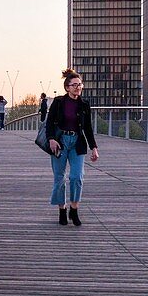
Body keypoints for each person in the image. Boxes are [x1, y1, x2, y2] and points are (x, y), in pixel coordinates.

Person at [45, 69, 99, 226]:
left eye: (79, 84)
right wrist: (51, 139)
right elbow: (49, 123)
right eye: (74, 85)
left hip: (77, 142)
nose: (77, 87)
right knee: (59, 177)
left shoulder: (84, 105)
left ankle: (74, 209)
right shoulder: (58, 102)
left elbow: (88, 128)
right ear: (67, 87)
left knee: (76, 177)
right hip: (60, 142)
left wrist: (94, 147)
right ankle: (62, 209)